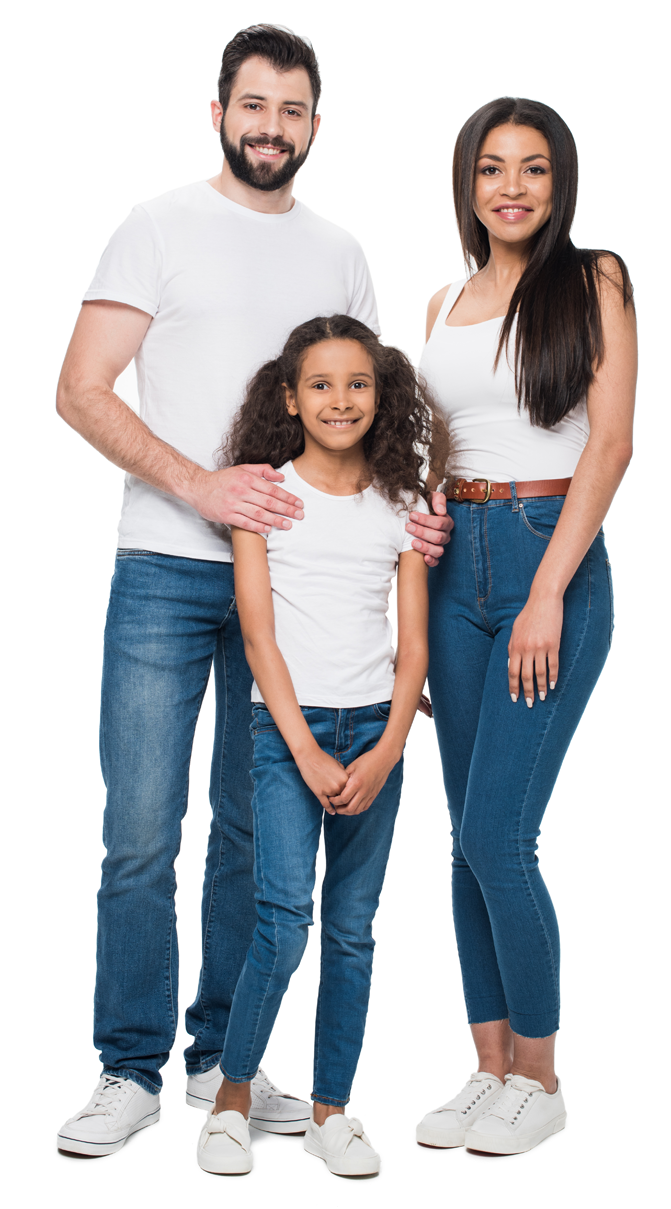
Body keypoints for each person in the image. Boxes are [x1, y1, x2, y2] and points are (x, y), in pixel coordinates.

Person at [55, 25, 451, 1159]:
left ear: (315, 124)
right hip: (166, 567)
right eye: (253, 105)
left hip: (303, 582)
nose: (271, 127)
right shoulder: (158, 226)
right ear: (219, 111)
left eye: (292, 109)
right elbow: (79, 389)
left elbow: (368, 411)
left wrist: (414, 512)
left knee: (249, 830)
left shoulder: (339, 252)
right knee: (141, 827)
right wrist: (200, 485)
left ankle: (222, 1060)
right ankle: (127, 1066)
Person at [415, 97, 636, 1156]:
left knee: (498, 834)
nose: (511, 186)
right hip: (450, 567)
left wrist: (547, 589)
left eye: (533, 167)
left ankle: (539, 1080)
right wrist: (418, 549)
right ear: (467, 184)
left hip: (549, 555)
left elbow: (609, 443)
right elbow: (433, 455)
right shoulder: (442, 302)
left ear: (559, 183)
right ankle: (489, 1067)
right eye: (492, 167)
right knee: (463, 840)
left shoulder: (593, 280)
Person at [194, 314, 450, 1177]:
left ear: (381, 395)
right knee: (282, 920)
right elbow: (258, 640)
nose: (340, 400)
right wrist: (304, 751)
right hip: (286, 734)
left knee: (350, 929)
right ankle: (232, 1097)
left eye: (357, 383)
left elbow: (413, 647)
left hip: (375, 728)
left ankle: (330, 1110)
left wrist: (385, 751)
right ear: (289, 398)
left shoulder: (402, 502)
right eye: (320, 384)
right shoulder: (264, 497)